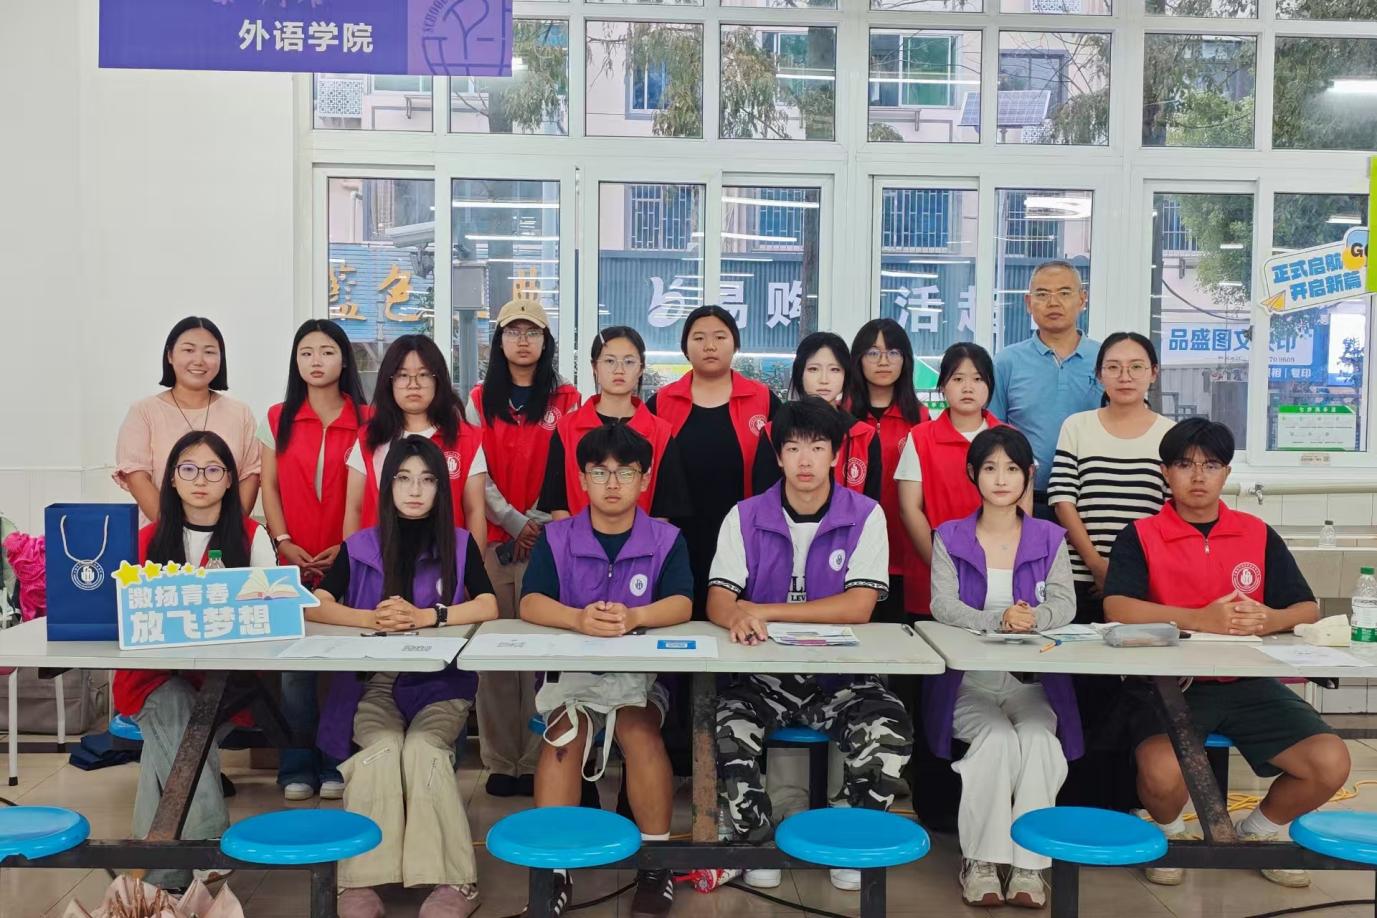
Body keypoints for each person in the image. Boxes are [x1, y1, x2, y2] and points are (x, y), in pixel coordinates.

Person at [1104, 417, 1350, 890]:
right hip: (1169, 686)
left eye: (1211, 465)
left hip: (1249, 685)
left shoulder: (1256, 533)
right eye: (1184, 465)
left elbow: (1306, 608)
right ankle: (1169, 834)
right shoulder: (1141, 534)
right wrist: (1200, 619)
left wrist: (1269, 618)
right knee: (1161, 774)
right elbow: (1117, 606)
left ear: (1227, 473)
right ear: (1165, 473)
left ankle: (1258, 832)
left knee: (1330, 761)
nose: (1198, 476)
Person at [707, 398, 913, 894]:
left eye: (818, 447)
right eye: (794, 447)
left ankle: (853, 840)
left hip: (842, 676)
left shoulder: (866, 515)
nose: (805, 460)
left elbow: (858, 606)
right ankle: (758, 842)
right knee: (729, 729)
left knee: (889, 730)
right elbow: (718, 598)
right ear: (778, 455)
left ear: (836, 455)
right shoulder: (745, 516)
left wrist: (764, 610)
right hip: (763, 676)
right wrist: (737, 614)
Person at [310, 435, 498, 918]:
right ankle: (360, 881)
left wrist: (429, 616)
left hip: (441, 684)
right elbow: (317, 605)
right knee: (383, 747)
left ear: (441, 488)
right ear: (387, 485)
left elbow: (487, 604)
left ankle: (455, 880)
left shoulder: (459, 543)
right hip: (373, 682)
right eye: (404, 478)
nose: (415, 490)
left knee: (423, 749)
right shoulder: (360, 545)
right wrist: (370, 617)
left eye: (428, 480)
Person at [520, 424, 693, 918]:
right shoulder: (557, 538)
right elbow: (530, 602)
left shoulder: (666, 539)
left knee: (639, 731)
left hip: (641, 677)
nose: (612, 483)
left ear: (645, 479)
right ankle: (555, 869)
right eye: (600, 472)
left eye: (625, 472)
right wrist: (576, 618)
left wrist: (636, 615)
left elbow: (683, 602)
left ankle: (655, 865)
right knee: (565, 736)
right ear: (582, 479)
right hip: (573, 677)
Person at [112, 430, 275, 893]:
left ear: (230, 480)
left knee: (168, 742)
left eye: (213, 470)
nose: (200, 479)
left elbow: (272, 609)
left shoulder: (252, 537)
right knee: (176, 706)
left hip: (223, 682)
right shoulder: (146, 539)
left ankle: (155, 886)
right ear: (171, 479)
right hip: (151, 678)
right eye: (188, 468)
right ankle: (209, 841)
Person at [926, 427, 1081, 908]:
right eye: (990, 468)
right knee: (995, 740)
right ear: (972, 474)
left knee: (1037, 740)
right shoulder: (949, 536)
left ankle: (1031, 865)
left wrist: (1034, 618)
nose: (1000, 479)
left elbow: (1066, 603)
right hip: (968, 683)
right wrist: (998, 619)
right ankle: (981, 861)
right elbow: (942, 605)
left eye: (1012, 469)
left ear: (1028, 475)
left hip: (1030, 683)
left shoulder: (1050, 537)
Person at [466, 299, 582, 798]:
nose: (522, 340)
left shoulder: (567, 398)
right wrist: (514, 522)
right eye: (512, 331)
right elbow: (476, 471)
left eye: (532, 332)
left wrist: (536, 521)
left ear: (545, 341)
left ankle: (538, 759)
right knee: (494, 658)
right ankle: (501, 760)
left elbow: (567, 466)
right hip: (495, 542)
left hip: (550, 544)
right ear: (499, 341)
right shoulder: (478, 399)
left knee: (543, 656)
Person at [260, 318, 370, 802]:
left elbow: (368, 492)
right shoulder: (277, 417)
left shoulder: (367, 418)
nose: (316, 361)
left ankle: (336, 761)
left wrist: (347, 550)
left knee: (345, 668)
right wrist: (282, 540)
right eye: (306, 352)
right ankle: (295, 765)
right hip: (291, 558)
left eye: (327, 351)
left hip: (349, 557)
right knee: (295, 671)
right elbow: (268, 486)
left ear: (344, 360)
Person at [647, 305, 779, 619]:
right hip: (676, 535)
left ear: (735, 344)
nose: (709, 345)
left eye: (720, 337)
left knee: (738, 620)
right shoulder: (662, 402)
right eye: (699, 338)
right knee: (678, 617)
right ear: (685, 347)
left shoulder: (763, 400)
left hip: (745, 534)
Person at [1048, 332, 1174, 622]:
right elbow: (1063, 501)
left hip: (1147, 577)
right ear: (1099, 374)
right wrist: (1097, 566)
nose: (1124, 376)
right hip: (1081, 577)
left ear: (1154, 373)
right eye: (1113, 367)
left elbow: (1171, 511)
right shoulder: (1077, 427)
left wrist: (1126, 574)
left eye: (1136, 367)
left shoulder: (1170, 434)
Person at [896, 342, 1019, 616]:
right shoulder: (921, 437)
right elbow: (909, 508)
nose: (968, 388)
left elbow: (1023, 510)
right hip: (932, 577)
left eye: (977, 379)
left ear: (990, 386)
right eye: (958, 379)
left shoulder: (1010, 438)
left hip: (999, 577)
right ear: (942, 386)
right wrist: (942, 568)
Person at [344, 335, 488, 550]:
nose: (413, 385)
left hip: (445, 563)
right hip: (378, 562)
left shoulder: (467, 439)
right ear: (389, 381)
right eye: (403, 375)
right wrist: (352, 564)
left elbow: (475, 511)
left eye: (423, 374)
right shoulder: (369, 438)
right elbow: (354, 509)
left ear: (438, 380)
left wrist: (473, 568)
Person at [114, 316, 262, 523]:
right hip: (160, 533)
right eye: (189, 350)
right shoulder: (144, 411)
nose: (199, 360)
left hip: (225, 537)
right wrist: (176, 531)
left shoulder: (240, 413)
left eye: (209, 352)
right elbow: (137, 476)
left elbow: (250, 475)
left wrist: (228, 529)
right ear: (170, 355)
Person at [538, 327, 690, 520]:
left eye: (629, 361)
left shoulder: (661, 432)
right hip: (575, 538)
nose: (619, 370)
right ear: (594, 367)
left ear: (641, 368)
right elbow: (557, 502)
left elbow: (665, 510)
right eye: (609, 361)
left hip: (644, 539)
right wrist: (575, 539)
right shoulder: (566, 428)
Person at [988, 261, 1102, 518]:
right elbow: (994, 434)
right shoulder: (1006, 362)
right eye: (1042, 294)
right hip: (1026, 499)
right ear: (1029, 302)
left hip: (1093, 498)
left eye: (1064, 293)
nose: (1053, 302)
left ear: (1082, 299)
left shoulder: (1106, 359)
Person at [845, 319, 931, 623]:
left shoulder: (921, 419)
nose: (883, 361)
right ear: (858, 360)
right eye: (873, 353)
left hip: (905, 547)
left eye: (893, 352)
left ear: (905, 360)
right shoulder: (840, 414)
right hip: (849, 547)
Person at [752, 332, 881, 500]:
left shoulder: (864, 436)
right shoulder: (773, 432)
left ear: (846, 375)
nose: (824, 379)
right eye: (813, 369)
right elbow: (763, 501)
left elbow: (871, 505)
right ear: (799, 373)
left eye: (834, 370)